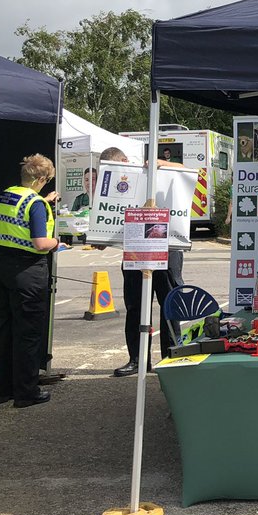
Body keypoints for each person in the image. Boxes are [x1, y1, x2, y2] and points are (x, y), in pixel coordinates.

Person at [99, 147, 185, 377]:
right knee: (135, 307)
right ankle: (137, 359)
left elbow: (185, 171)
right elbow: (109, 220)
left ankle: (171, 356)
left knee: (170, 304)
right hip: (135, 254)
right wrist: (100, 238)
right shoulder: (113, 188)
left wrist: (160, 163)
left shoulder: (151, 171)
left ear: (125, 162)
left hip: (166, 249)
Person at [0, 153, 63, 408]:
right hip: (28, 271)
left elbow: (19, 215)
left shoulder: (5, 195)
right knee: (28, 334)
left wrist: (43, 200)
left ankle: (2, 390)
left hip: (0, 267)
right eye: (46, 181)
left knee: (4, 331)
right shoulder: (36, 205)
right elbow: (40, 243)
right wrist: (58, 243)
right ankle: (26, 392)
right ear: (41, 179)